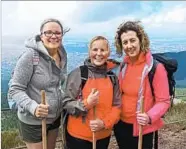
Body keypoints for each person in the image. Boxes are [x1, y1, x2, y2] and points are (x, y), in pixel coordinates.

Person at [8, 18, 67, 149]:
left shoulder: (62, 54)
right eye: (48, 33)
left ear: (62, 35)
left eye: (57, 33)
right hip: (33, 121)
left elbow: (59, 84)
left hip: (54, 117)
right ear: (41, 36)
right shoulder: (30, 57)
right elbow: (15, 89)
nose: (53, 36)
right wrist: (34, 107)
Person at [113, 20, 170, 149]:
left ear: (140, 40)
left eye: (132, 40)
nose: (129, 45)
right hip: (121, 125)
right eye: (125, 42)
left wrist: (149, 117)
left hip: (142, 127)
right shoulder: (123, 66)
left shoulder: (155, 68)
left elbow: (164, 101)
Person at [62, 36, 121, 149]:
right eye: (95, 50)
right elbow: (66, 103)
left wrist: (104, 123)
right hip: (77, 137)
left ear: (108, 53)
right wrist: (86, 104)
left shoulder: (112, 78)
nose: (99, 53)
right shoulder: (78, 74)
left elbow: (117, 106)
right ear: (89, 52)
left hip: (103, 136)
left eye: (103, 50)